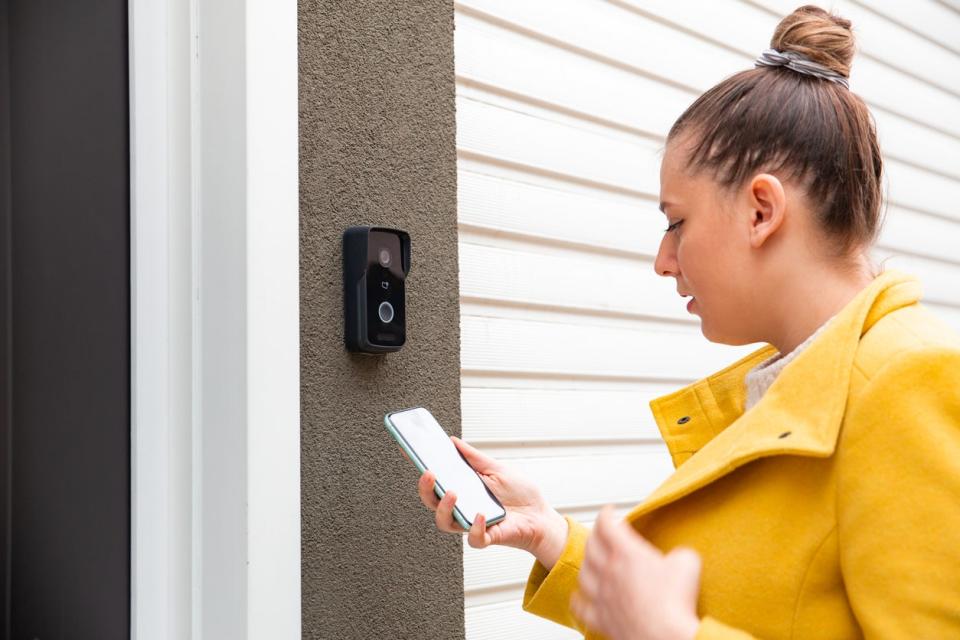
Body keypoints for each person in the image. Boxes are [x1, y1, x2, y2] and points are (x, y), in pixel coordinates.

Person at [415, 5, 960, 638]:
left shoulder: (909, 380)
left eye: (677, 221)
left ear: (761, 210)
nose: (662, 260)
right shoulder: (798, 384)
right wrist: (550, 533)